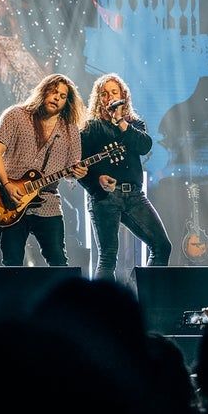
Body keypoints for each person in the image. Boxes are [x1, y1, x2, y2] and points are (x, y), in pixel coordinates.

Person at [0, 73, 87, 266]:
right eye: (54, 92)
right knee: (11, 264)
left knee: (59, 262)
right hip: (11, 201)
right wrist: (7, 185)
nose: (57, 98)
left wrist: (77, 173)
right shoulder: (16, 115)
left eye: (63, 96)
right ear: (43, 91)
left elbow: (70, 171)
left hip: (48, 203)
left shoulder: (70, 129)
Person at [79, 73, 171, 279]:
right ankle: (106, 300)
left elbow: (144, 146)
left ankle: (141, 293)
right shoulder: (91, 127)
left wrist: (120, 121)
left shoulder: (134, 124)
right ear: (98, 99)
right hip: (104, 197)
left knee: (162, 246)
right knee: (108, 257)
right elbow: (79, 168)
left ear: (123, 96)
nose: (110, 97)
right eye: (104, 93)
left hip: (134, 196)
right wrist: (96, 181)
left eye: (114, 92)